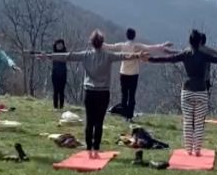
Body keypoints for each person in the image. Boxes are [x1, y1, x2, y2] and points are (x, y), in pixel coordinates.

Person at [40, 30, 144, 159]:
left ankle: (89, 147)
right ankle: (96, 147)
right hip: (103, 93)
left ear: (91, 43)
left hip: (90, 92)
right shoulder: (108, 56)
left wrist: (49, 56)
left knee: (89, 121)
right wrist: (138, 55)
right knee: (99, 122)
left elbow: (67, 56)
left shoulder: (86, 55)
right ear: (102, 43)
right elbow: (124, 56)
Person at [147, 29, 217, 156]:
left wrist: (149, 59)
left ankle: (188, 150)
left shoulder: (185, 54)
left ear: (190, 41)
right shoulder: (204, 55)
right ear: (200, 42)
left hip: (187, 90)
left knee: (187, 121)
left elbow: (169, 59)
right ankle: (197, 150)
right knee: (198, 122)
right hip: (201, 90)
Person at [105, 27, 172, 123]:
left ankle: (124, 114)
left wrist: (97, 43)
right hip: (133, 74)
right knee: (131, 96)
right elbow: (151, 48)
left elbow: (109, 46)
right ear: (134, 36)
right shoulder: (137, 46)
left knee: (124, 95)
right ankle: (129, 116)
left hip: (123, 73)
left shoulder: (122, 45)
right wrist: (163, 45)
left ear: (126, 35)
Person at [50, 39, 68, 110]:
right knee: (55, 91)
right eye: (58, 44)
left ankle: (61, 106)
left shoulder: (65, 53)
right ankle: (55, 106)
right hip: (55, 74)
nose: (59, 46)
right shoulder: (53, 53)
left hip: (63, 74)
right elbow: (47, 57)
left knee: (61, 91)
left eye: (61, 44)